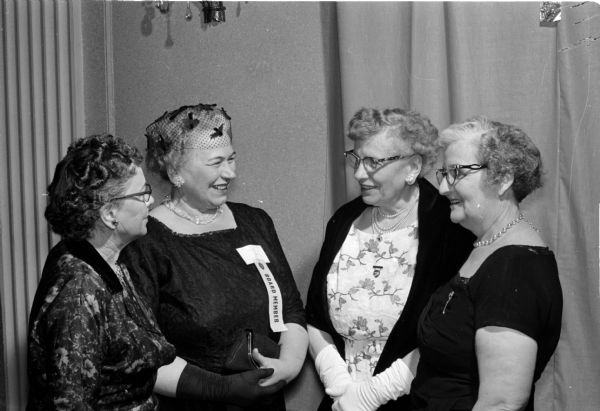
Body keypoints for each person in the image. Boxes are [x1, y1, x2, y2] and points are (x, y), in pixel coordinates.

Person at [27, 134, 282, 410]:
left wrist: (225, 388)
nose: (150, 202)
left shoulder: (113, 260)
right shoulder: (78, 292)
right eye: (141, 194)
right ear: (110, 214)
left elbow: (146, 358)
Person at [120, 102, 308, 411]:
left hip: (265, 402)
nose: (230, 172)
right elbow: (139, 355)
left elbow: (291, 309)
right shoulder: (147, 241)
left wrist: (288, 365)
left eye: (232, 158)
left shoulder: (255, 222)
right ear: (176, 172)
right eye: (216, 162)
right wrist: (222, 390)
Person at [305, 108, 474, 411]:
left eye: (373, 162)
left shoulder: (449, 228)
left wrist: (373, 394)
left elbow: (451, 333)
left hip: (413, 400)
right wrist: (340, 385)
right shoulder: (344, 219)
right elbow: (315, 316)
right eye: (356, 159)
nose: (358, 173)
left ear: (412, 167)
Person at [409, 117, 563, 411]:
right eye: (444, 173)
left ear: (503, 179)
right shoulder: (485, 244)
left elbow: (501, 403)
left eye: (456, 173)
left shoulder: (515, 267)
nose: (442, 187)